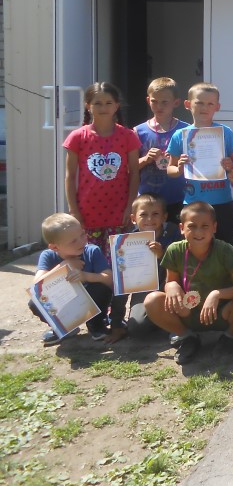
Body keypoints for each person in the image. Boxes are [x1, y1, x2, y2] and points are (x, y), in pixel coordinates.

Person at [64, 81, 141, 340]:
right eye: (98, 103)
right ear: (88, 106)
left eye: (109, 103)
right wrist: (74, 211)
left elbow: (134, 173)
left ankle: (114, 316)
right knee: (90, 269)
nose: (103, 107)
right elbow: (70, 176)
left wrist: (130, 206)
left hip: (119, 215)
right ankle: (86, 317)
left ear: (117, 106)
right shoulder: (78, 137)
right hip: (88, 216)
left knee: (116, 269)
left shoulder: (127, 136)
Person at [144, 201, 233, 365]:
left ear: (214, 227)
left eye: (205, 226)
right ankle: (187, 337)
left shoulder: (224, 250)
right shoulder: (175, 250)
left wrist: (217, 294)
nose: (198, 232)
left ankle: (229, 337)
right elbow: (170, 281)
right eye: (192, 226)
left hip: (221, 313)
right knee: (152, 300)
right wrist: (172, 286)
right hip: (187, 312)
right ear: (182, 228)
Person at [166, 82, 233, 256]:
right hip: (193, 205)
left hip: (222, 203)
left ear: (217, 107)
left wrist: (230, 167)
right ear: (188, 104)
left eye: (210, 104)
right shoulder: (180, 135)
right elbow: (170, 170)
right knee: (195, 252)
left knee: (230, 252)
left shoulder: (225, 132)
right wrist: (179, 168)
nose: (204, 108)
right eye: (199, 103)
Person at [30, 213, 113, 345]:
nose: (82, 241)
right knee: (35, 303)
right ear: (55, 247)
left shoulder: (92, 251)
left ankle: (96, 324)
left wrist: (86, 276)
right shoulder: (48, 256)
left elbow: (109, 279)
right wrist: (63, 266)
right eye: (73, 241)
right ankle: (64, 328)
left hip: (90, 303)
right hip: (63, 303)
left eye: (82, 234)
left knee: (102, 288)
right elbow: (37, 285)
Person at [125, 193, 181, 337]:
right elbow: (122, 282)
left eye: (155, 214)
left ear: (164, 217)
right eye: (143, 215)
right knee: (136, 328)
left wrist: (163, 255)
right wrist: (115, 323)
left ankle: (175, 324)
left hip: (171, 286)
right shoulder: (127, 241)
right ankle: (159, 319)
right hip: (143, 289)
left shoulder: (173, 233)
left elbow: (184, 265)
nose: (149, 219)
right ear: (133, 218)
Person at [134, 77, 188, 224]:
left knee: (175, 236)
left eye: (165, 102)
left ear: (176, 102)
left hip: (178, 198)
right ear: (148, 100)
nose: (159, 106)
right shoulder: (138, 131)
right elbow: (129, 167)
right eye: (154, 101)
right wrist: (146, 159)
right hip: (148, 202)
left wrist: (177, 160)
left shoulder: (186, 130)